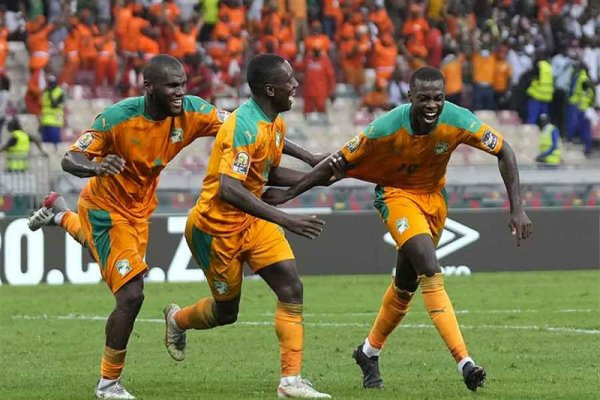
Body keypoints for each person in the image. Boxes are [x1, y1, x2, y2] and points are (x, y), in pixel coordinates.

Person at [26, 54, 327, 400]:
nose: (179, 93)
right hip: (105, 211)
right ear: (149, 87)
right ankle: (108, 384)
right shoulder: (117, 118)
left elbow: (249, 123)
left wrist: (310, 159)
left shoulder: (191, 111)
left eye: (183, 85)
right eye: (172, 86)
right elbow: (70, 158)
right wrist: (95, 168)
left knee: (118, 266)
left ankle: (59, 215)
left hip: (141, 210)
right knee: (132, 295)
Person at [262, 66, 533, 393]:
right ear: (409, 98)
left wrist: (517, 207)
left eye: (438, 98)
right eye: (424, 99)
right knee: (429, 268)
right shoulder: (384, 128)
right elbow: (337, 165)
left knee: (406, 284)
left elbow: (505, 150)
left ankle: (368, 352)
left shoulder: (458, 120)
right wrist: (292, 193)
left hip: (434, 200)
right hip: (396, 196)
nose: (432, 105)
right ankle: (465, 362)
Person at [161, 54, 332, 399]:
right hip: (215, 229)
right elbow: (229, 188)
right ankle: (178, 320)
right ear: (271, 89)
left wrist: (316, 175)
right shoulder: (243, 126)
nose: (295, 84)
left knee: (291, 288)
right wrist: (286, 218)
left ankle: (290, 381)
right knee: (227, 312)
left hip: (253, 222)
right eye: (289, 80)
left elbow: (266, 172)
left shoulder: (274, 123)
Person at [39, 74, 65, 146]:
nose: (50, 85)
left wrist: (50, 93)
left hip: (55, 122)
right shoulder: (45, 92)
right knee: (45, 144)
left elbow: (54, 105)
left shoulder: (60, 92)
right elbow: (42, 105)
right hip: (45, 122)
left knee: (55, 144)